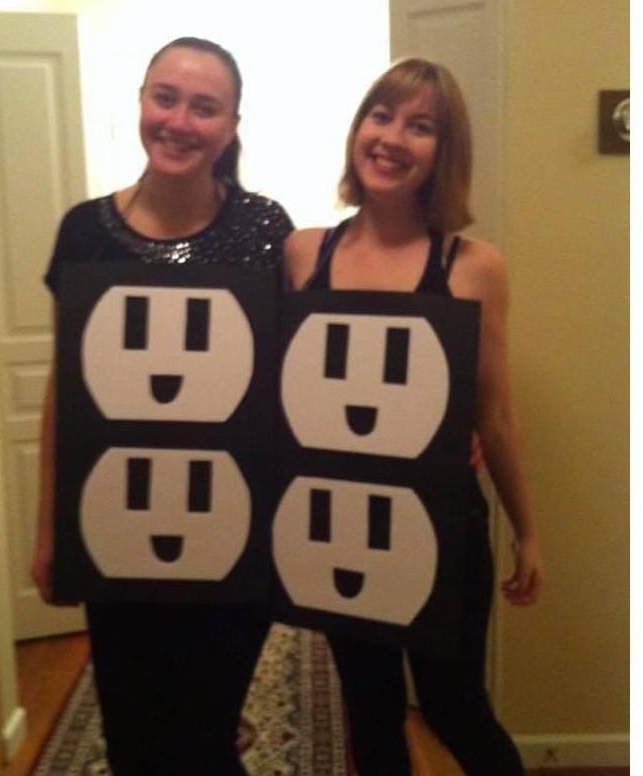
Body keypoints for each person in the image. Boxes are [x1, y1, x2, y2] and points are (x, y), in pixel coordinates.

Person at [32, 37, 293, 776]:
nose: (179, 121)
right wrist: (50, 528)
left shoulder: (267, 230)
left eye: (204, 107)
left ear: (232, 125)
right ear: (142, 102)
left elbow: (306, 372)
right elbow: (66, 393)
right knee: (133, 737)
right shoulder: (85, 232)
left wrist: (431, 433)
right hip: (117, 523)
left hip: (231, 526)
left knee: (205, 736)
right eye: (165, 98)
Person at [283, 58, 543, 776]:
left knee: (456, 707)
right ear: (358, 128)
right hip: (339, 519)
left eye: (420, 126)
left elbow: (495, 413)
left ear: (443, 152)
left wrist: (527, 531)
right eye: (381, 115)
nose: (392, 138)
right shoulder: (304, 254)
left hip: (441, 524)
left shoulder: (474, 267)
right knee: (369, 711)